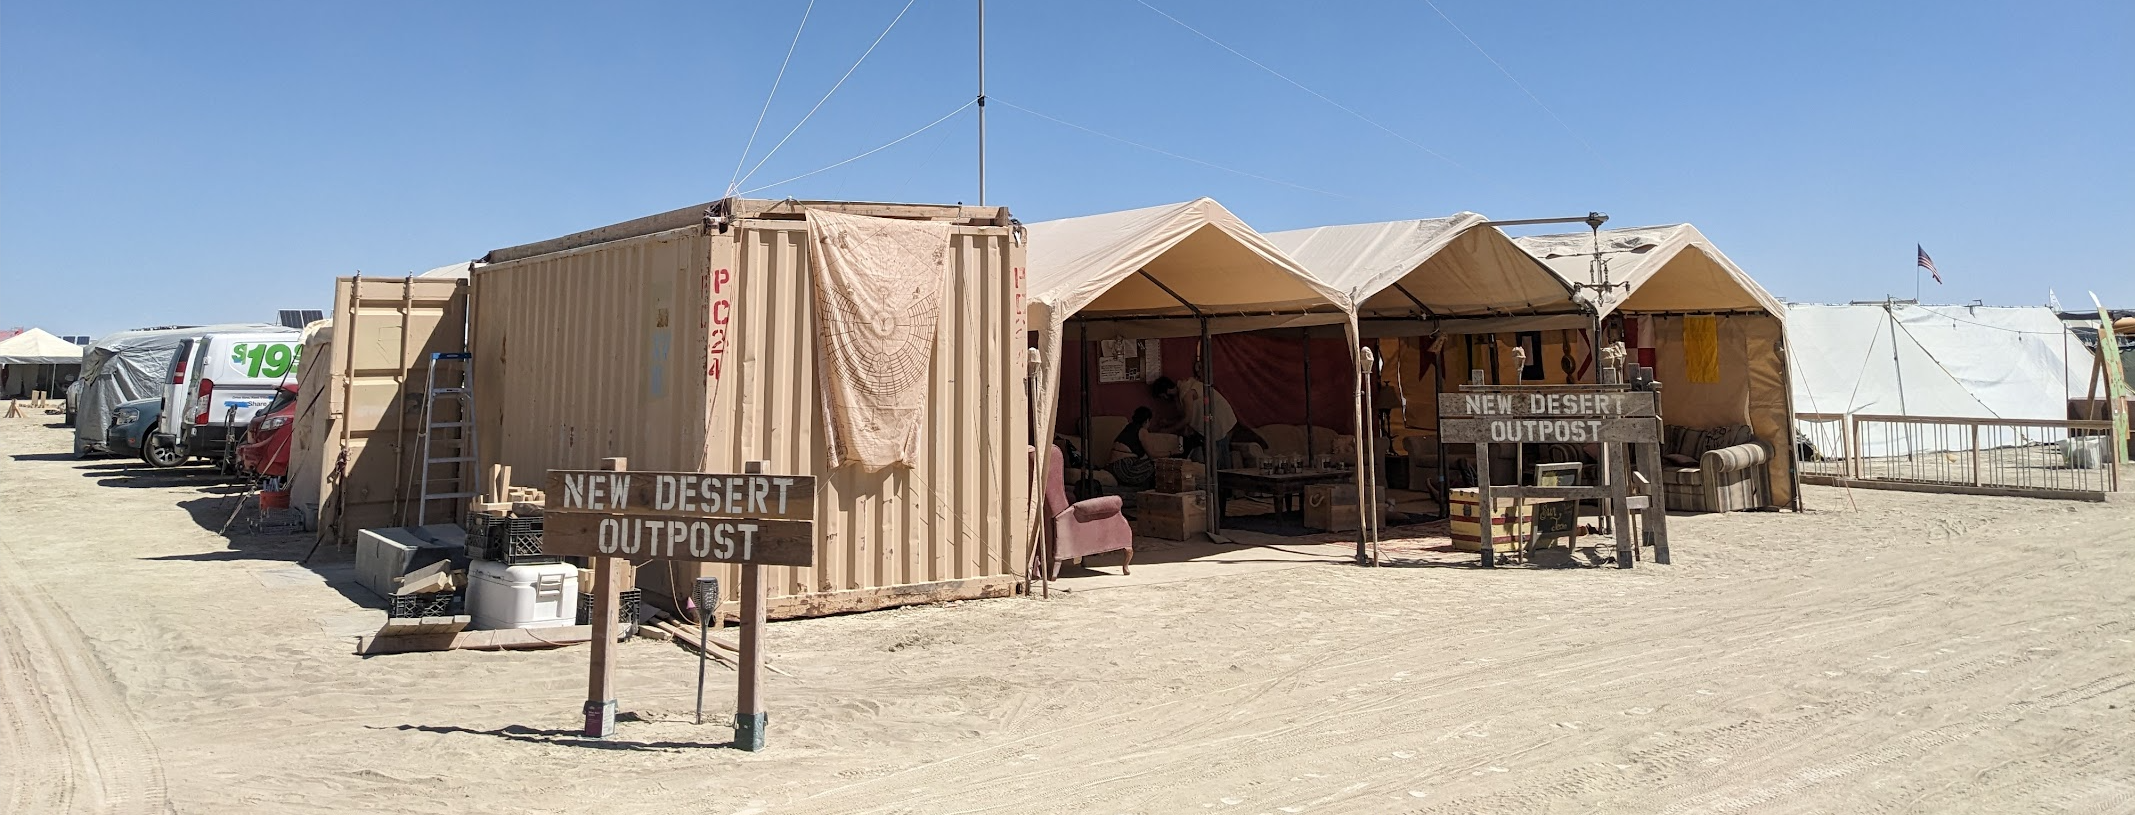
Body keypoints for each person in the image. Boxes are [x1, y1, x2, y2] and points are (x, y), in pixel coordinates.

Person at [1150, 376, 1238, 470]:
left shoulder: (1187, 393)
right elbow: (1185, 416)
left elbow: (1187, 418)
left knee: (1219, 459)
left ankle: (1223, 480)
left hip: (1218, 422)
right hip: (1215, 421)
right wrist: (1168, 422)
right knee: (1213, 455)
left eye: (1162, 396)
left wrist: (1167, 430)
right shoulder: (1184, 390)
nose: (1164, 399)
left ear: (1167, 391)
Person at [1106, 407, 1158, 489]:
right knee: (1156, 465)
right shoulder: (1142, 431)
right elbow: (1152, 455)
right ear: (1147, 420)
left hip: (1112, 467)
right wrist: (1171, 452)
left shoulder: (1129, 427)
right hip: (1124, 467)